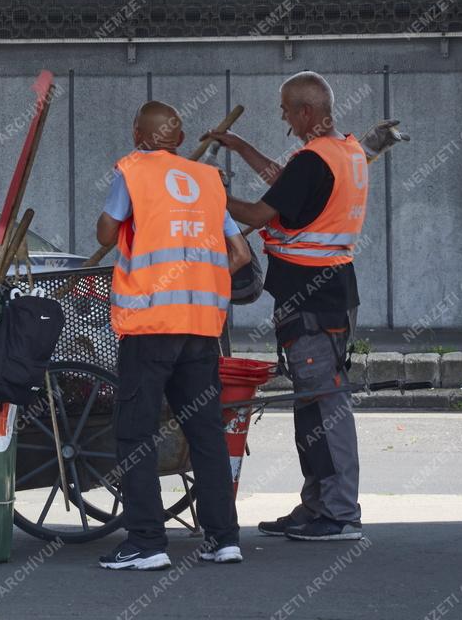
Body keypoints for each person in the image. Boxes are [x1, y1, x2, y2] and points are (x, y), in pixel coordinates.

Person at [208, 71, 368, 542]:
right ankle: (317, 505)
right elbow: (284, 185)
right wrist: (239, 146)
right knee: (310, 406)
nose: (282, 117)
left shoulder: (315, 160)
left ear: (306, 112)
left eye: (284, 109)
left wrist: (210, 193)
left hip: (315, 300)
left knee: (326, 405)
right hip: (328, 294)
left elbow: (260, 212)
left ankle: (339, 514)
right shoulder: (345, 151)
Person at [97, 101, 251, 570]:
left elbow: (105, 232)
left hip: (148, 325)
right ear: (180, 140)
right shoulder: (207, 182)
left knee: (135, 434)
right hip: (201, 328)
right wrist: (197, 281)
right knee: (204, 432)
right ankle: (223, 539)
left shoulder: (132, 171)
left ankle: (146, 543)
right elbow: (241, 254)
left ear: (137, 133)